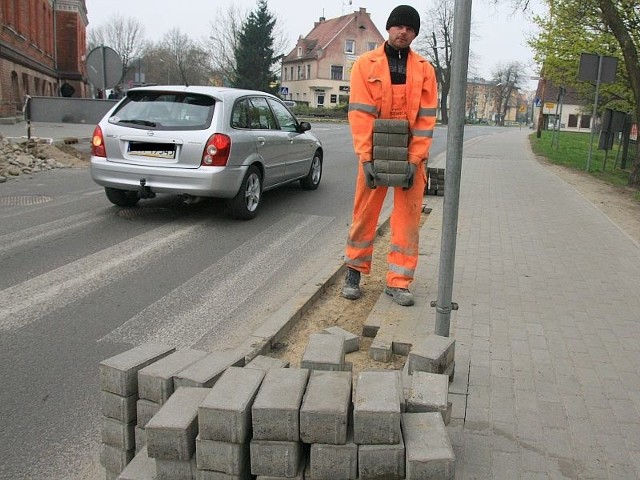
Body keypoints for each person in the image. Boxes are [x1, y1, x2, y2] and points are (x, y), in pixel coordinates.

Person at [341, 5, 438, 307]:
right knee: (365, 213)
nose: (403, 31)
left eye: (409, 28)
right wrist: (367, 158)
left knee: (408, 218)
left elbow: (426, 119)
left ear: (414, 33)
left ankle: (399, 281)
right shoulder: (365, 65)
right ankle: (354, 271)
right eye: (398, 26)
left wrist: (415, 160)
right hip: (376, 151)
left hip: (410, 153)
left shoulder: (424, 69)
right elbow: (359, 114)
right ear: (389, 29)